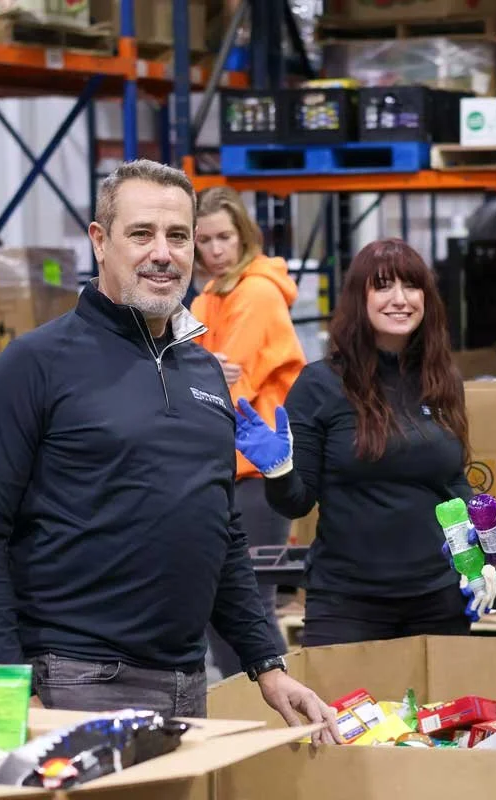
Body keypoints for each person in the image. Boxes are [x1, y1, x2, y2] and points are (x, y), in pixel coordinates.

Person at [0, 159, 338, 742]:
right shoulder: (34, 365)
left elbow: (220, 529)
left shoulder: (203, 371)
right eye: (142, 234)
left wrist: (266, 663)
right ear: (100, 242)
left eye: (178, 236)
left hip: (185, 682)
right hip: (73, 683)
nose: (164, 252)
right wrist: (14, 688)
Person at [232, 239, 496, 646]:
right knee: (341, 713)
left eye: (411, 286)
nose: (400, 299)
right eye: (383, 286)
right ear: (358, 299)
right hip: (348, 603)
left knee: (439, 713)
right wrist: (278, 471)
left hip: (438, 599)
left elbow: (452, 484)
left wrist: (480, 561)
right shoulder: (320, 385)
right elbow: (296, 502)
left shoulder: (440, 378)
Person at [189, 187, 306, 678]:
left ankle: (277, 712)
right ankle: (242, 707)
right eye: (204, 241)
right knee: (216, 599)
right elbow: (195, 369)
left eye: (224, 238)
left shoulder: (256, 292)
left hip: (257, 470)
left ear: (244, 237)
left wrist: (191, 367)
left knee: (250, 599)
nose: (215, 251)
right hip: (221, 465)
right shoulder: (208, 297)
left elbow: (219, 382)